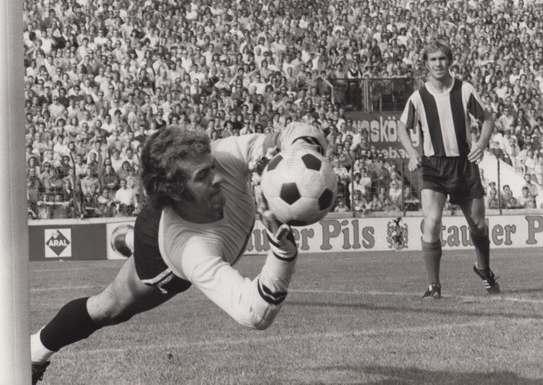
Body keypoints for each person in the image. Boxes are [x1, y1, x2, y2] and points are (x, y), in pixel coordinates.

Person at [31, 122, 327, 383]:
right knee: (109, 309)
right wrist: (283, 253)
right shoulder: (187, 248)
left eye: (212, 166)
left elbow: (297, 132)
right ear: (175, 192)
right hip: (157, 252)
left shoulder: (222, 154)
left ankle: (127, 239)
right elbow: (253, 312)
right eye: (203, 175)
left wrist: (295, 154)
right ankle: (33, 353)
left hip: (167, 218)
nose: (218, 177)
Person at [397, 39, 500, 299]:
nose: (438, 64)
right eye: (433, 59)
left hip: (464, 165)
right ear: (426, 64)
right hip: (433, 167)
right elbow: (402, 126)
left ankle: (483, 269)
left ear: (449, 61)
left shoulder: (464, 90)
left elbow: (487, 119)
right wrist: (412, 153)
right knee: (432, 222)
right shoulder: (418, 97)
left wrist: (481, 143)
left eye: (442, 58)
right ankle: (434, 285)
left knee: (478, 226)